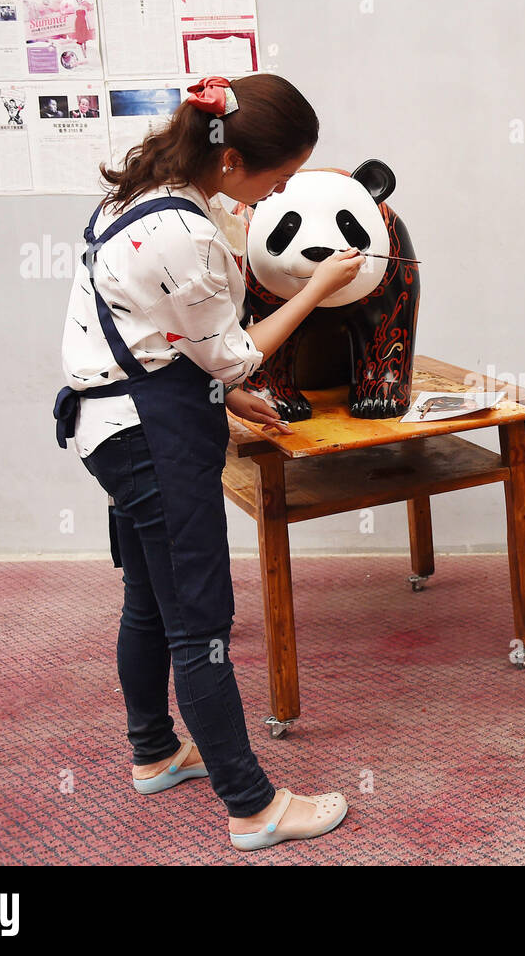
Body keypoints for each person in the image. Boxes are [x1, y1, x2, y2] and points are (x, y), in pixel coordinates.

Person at [54, 74, 367, 850]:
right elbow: (231, 356)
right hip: (148, 438)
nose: (282, 190)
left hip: (118, 423)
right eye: (282, 177)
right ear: (232, 165)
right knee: (201, 624)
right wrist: (320, 287)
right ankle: (253, 806)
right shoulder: (185, 234)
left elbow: (145, 331)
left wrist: (225, 401)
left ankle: (155, 752)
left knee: (150, 602)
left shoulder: (141, 192)